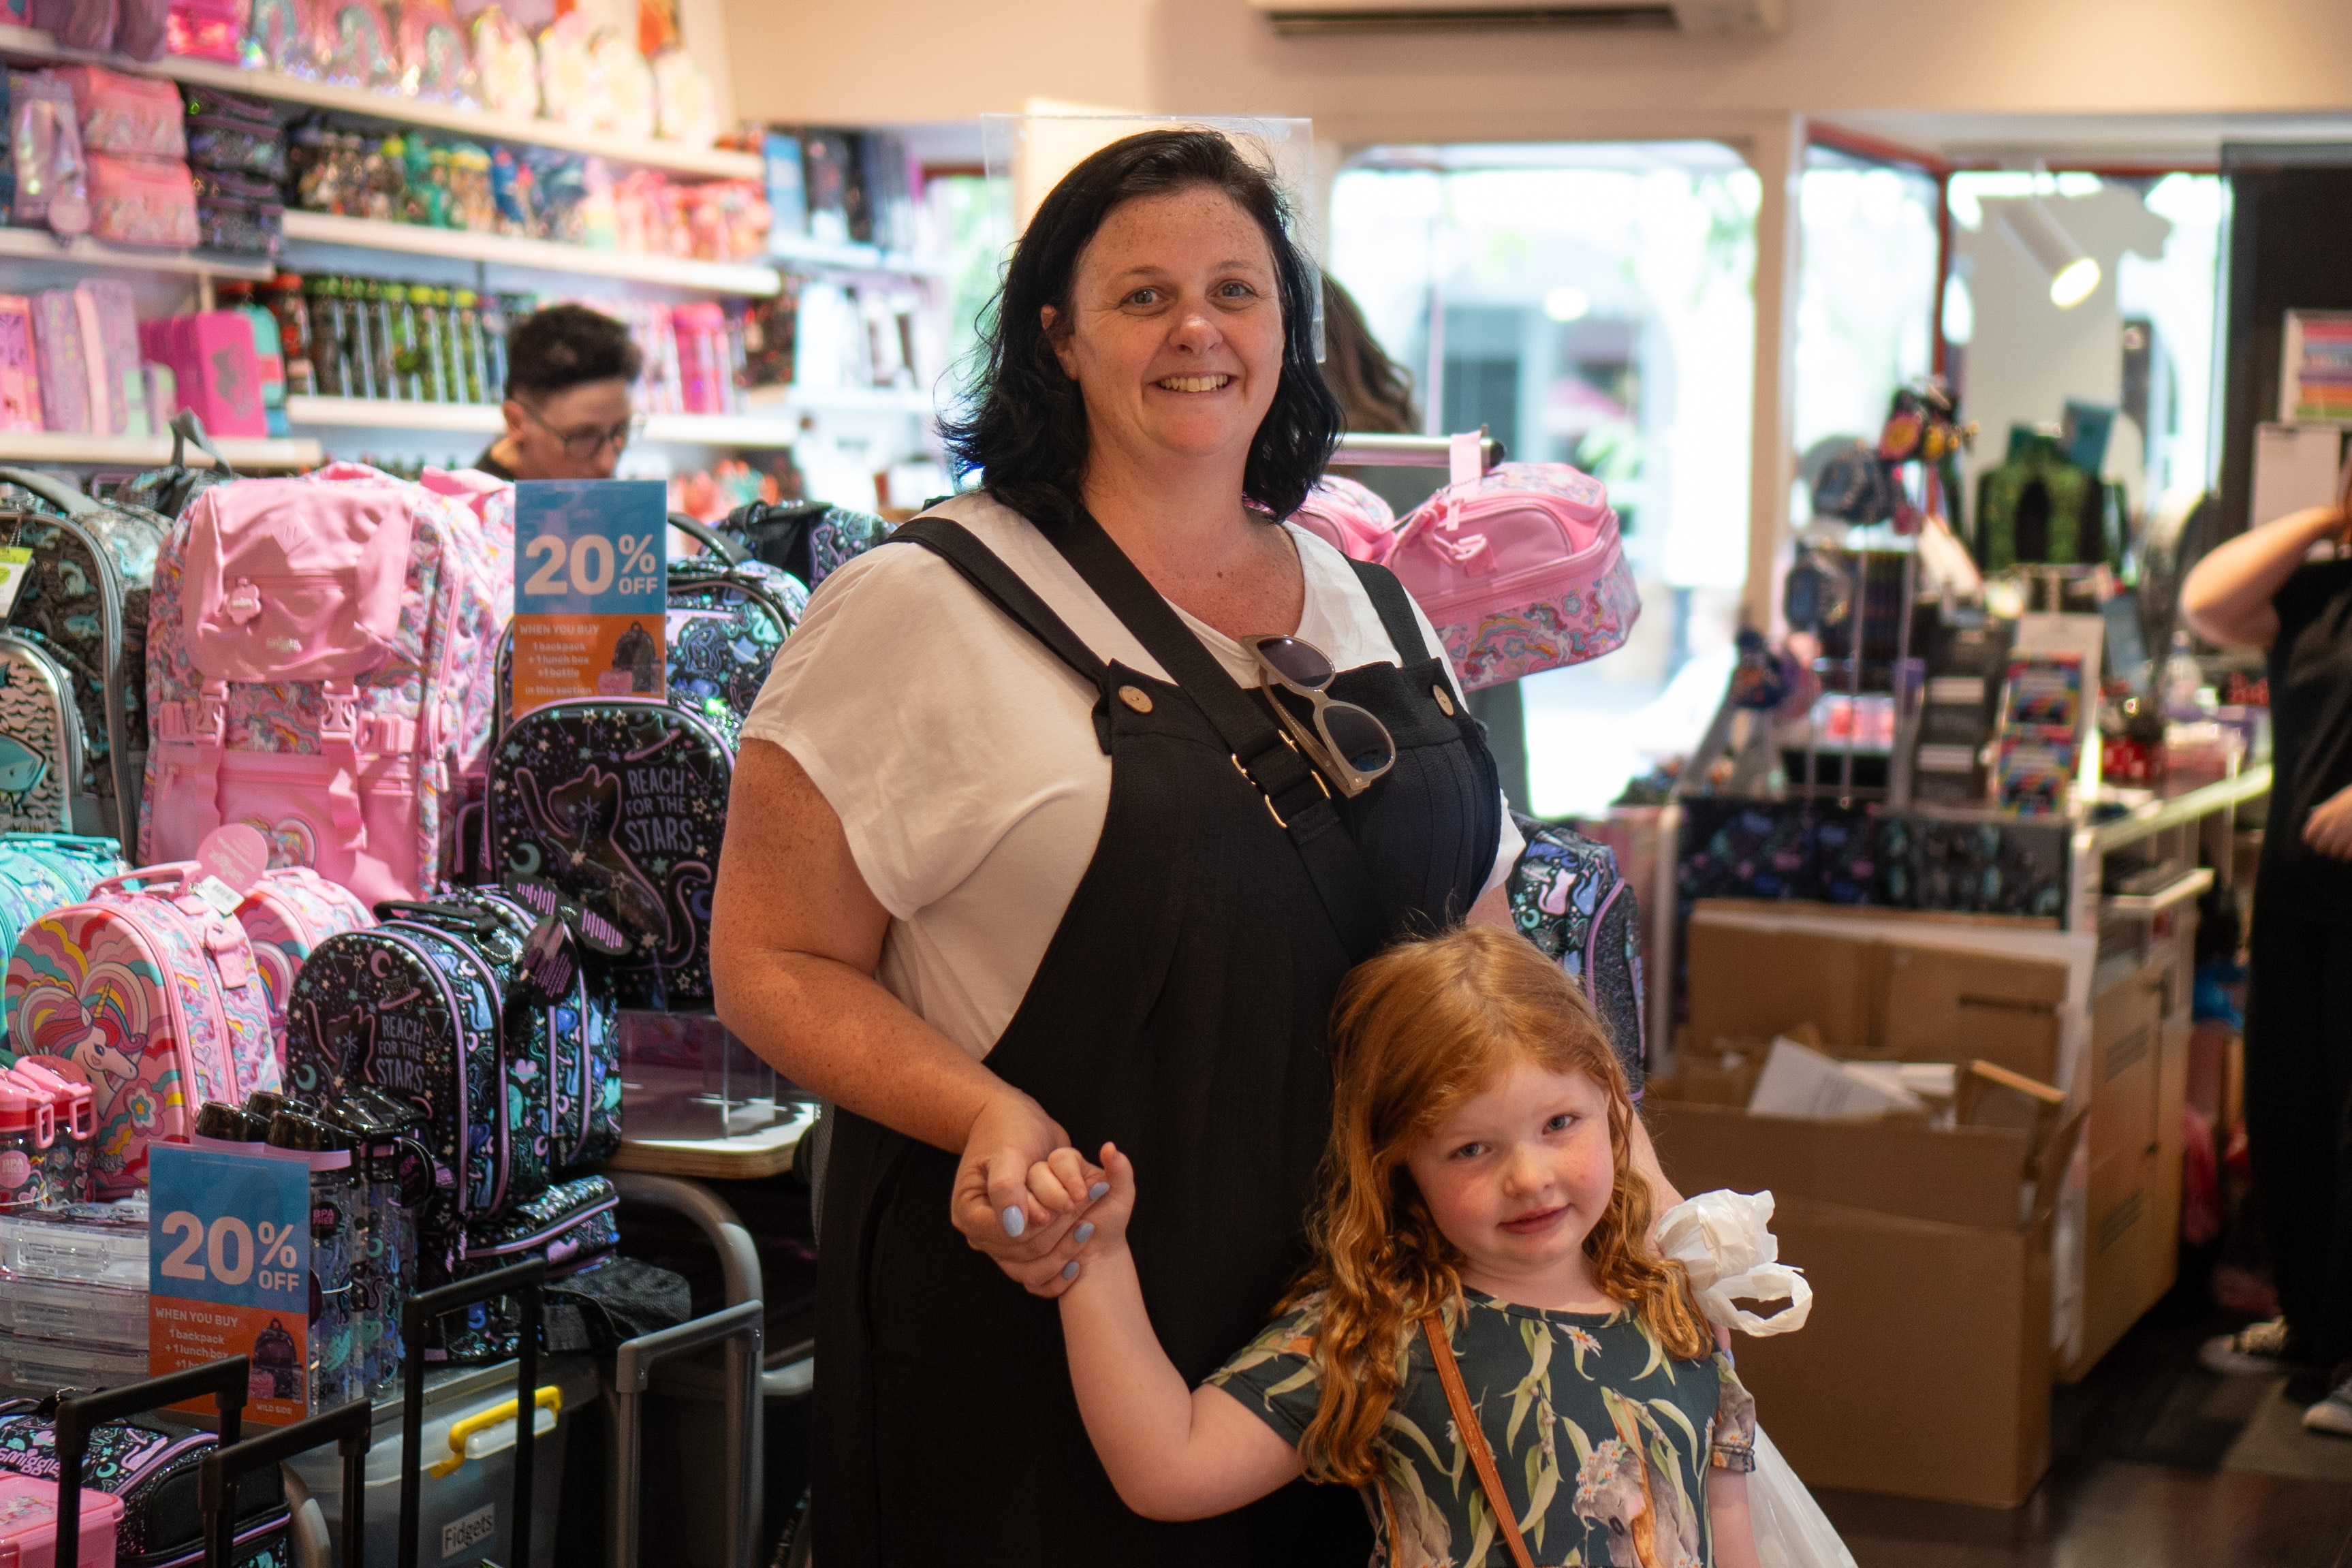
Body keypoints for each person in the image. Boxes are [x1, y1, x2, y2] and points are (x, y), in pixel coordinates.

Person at [708, 127, 1664, 1565]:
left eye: (1236, 289)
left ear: (1288, 324)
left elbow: (1481, 956)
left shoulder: (1366, 599)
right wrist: (987, 1117)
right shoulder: (916, 604)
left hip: (1368, 1324)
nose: (1196, 329)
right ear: (1059, 336)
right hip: (1055, 1311)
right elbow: (770, 957)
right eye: (1142, 295)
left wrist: (1638, 1197)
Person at [1049, 925, 1760, 1568]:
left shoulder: (1677, 1306)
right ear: (1401, 1167)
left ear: (1609, 1099)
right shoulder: (1385, 1327)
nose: (1529, 1177)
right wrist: (1098, 1260)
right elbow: (1169, 1468)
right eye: (1471, 1148)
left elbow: (1732, 1543)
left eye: (1559, 1122)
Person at [2181, 474, 2352, 1432]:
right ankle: (2309, 1323)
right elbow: (2208, 600)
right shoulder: (2320, 595)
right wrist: (2329, 520)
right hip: (2295, 900)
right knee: (2288, 1113)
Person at [471, 302, 642, 481]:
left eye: (621, 430)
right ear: (516, 423)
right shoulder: (468, 507)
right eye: (582, 437)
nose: (608, 463)